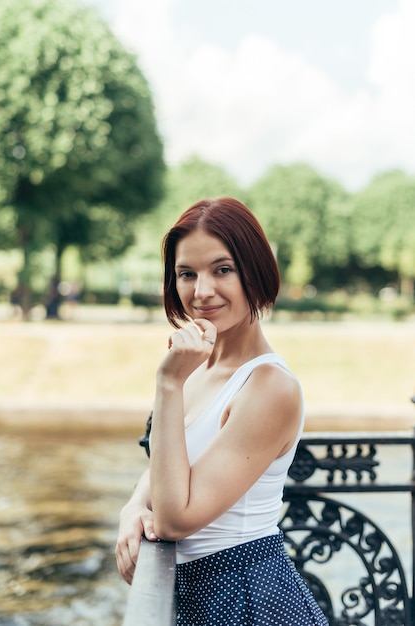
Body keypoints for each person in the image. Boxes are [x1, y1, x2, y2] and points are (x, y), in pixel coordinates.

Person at [115, 197, 328, 625]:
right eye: (186, 274)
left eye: (222, 269)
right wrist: (133, 508)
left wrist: (167, 382)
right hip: (197, 595)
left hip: (249, 597)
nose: (202, 290)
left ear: (255, 270)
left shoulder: (270, 386)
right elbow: (171, 459)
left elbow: (176, 521)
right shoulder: (198, 367)